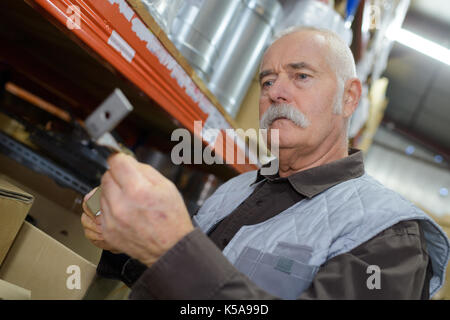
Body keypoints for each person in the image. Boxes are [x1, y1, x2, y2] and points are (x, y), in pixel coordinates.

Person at [81, 27, 449, 299]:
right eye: (267, 80)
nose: (275, 92)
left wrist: (173, 249)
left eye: (301, 76)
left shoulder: (390, 235)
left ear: (350, 97)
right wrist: (129, 242)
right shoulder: (236, 190)